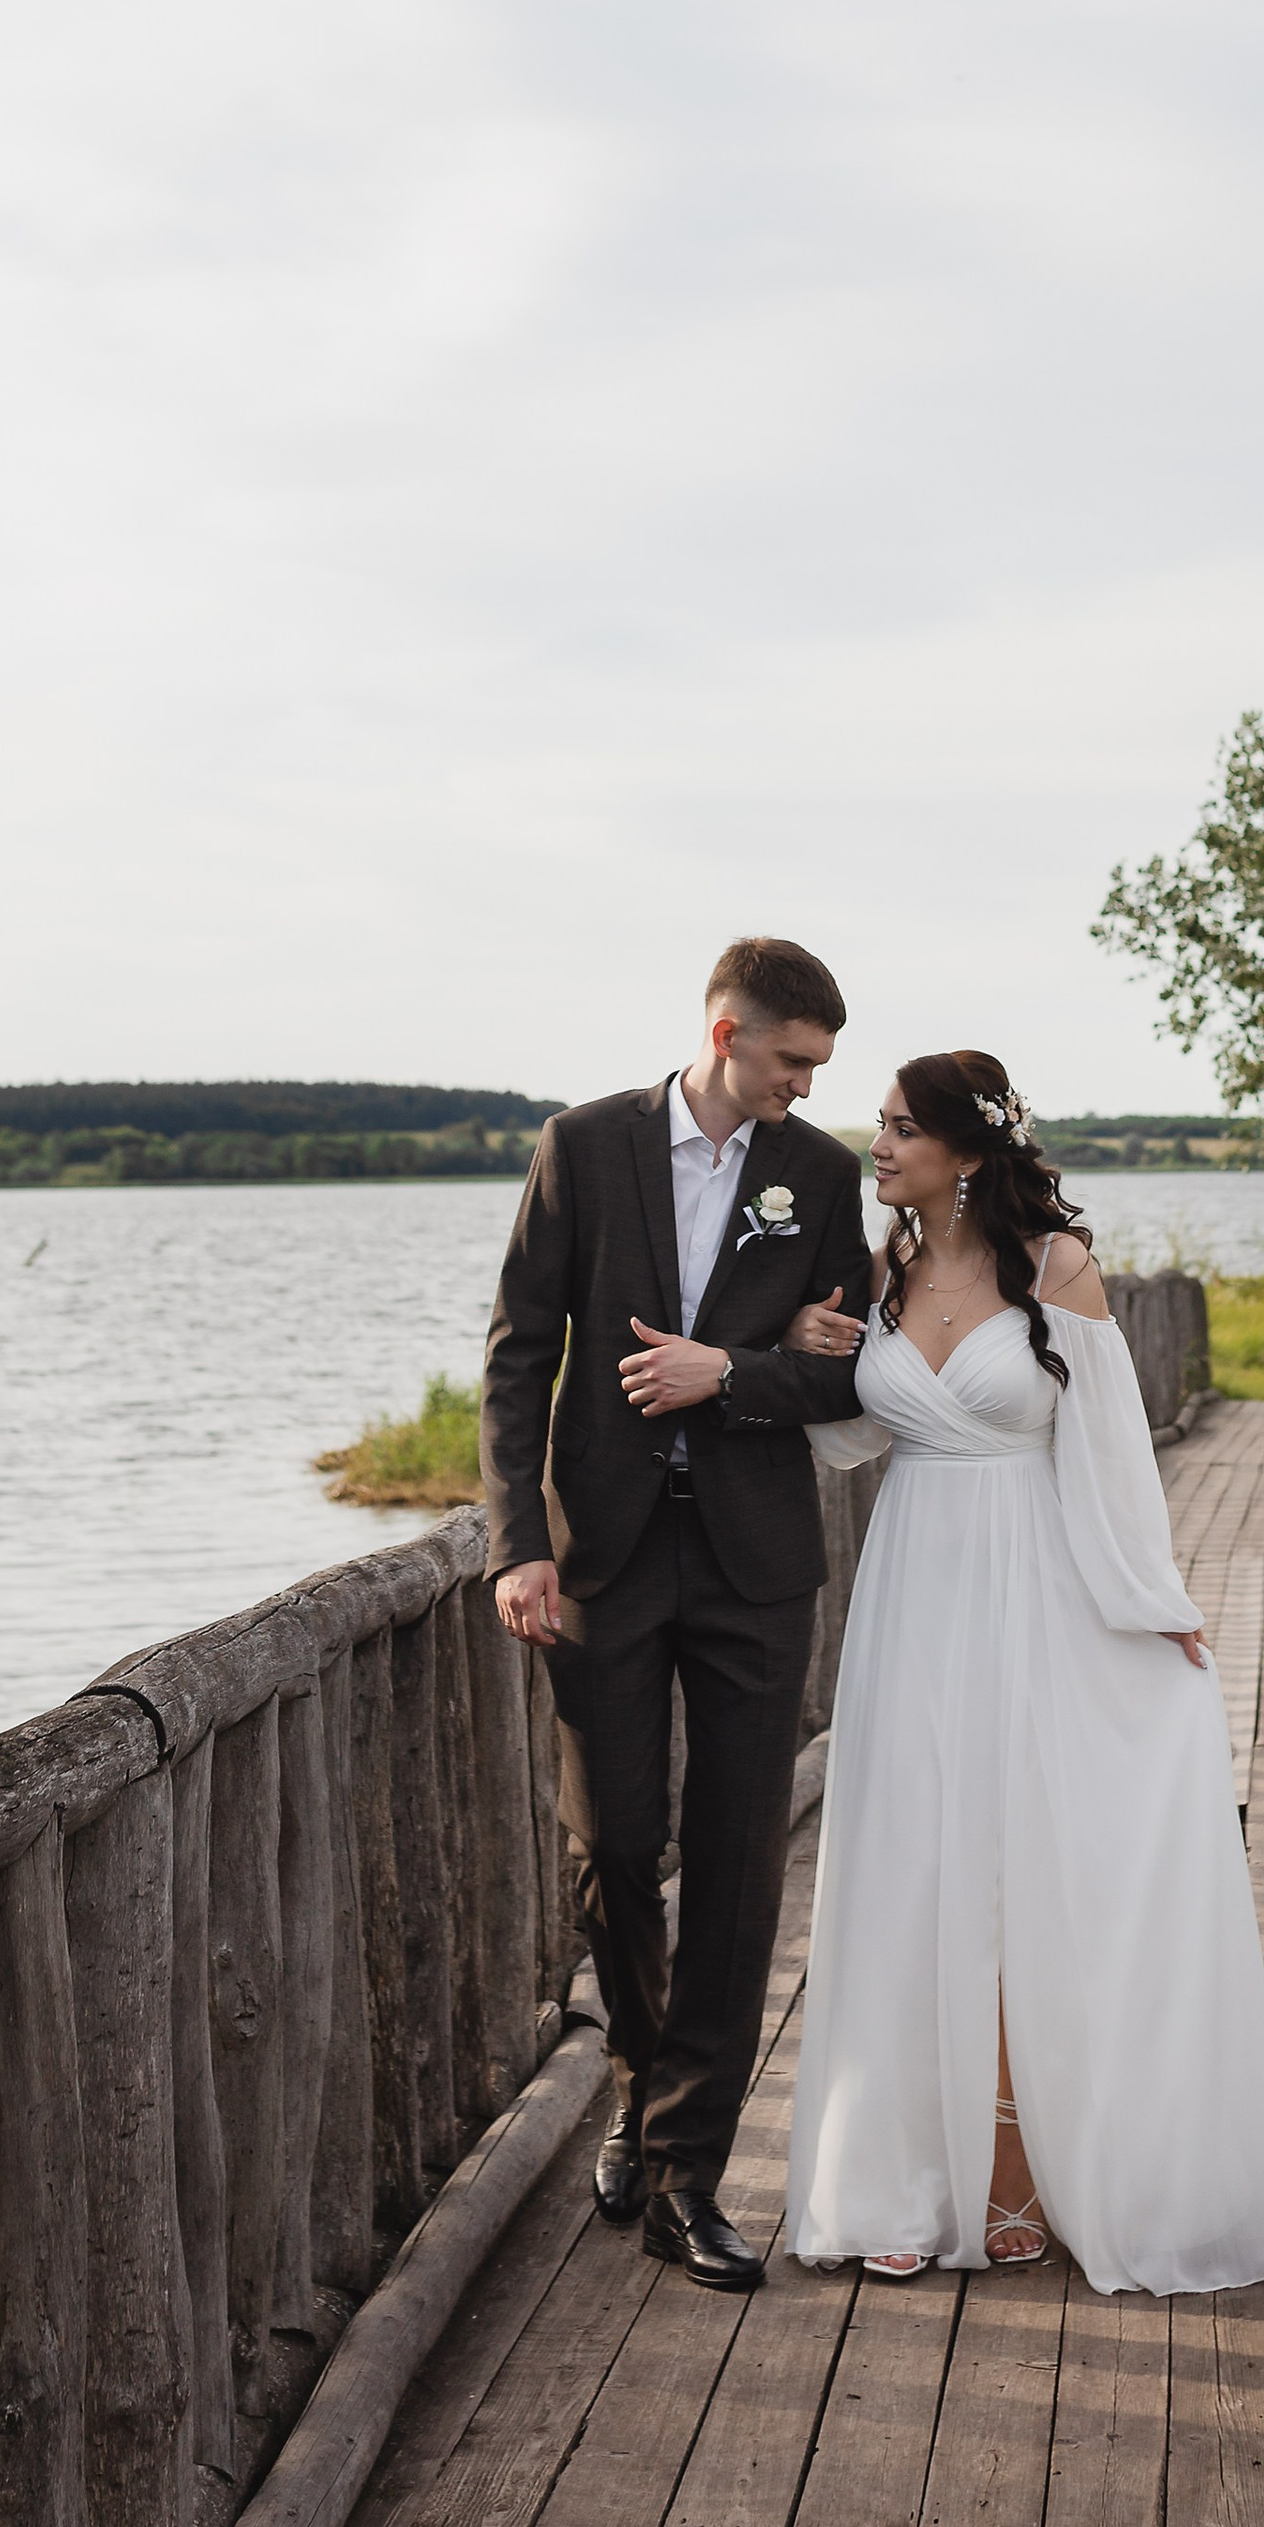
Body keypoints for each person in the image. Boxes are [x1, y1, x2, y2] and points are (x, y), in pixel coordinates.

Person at [780, 1050, 1264, 2293]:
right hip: (913, 1589)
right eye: (882, 1125)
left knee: (1025, 1877)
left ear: (968, 1151)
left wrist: (1151, 1604)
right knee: (912, 1872)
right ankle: (905, 2176)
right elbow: (858, 1442)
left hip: (1040, 1588)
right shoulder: (882, 1269)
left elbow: (1114, 1451)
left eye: (903, 1129)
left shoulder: (1053, 1267)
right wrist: (819, 1351)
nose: (880, 1144)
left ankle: (1016, 2173)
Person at [481, 935, 872, 2292]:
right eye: (789, 1062)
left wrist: (738, 1375)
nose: (805, 1090)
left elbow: (847, 1379)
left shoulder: (818, 1180)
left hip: (759, 1565)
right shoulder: (581, 1148)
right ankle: (647, 2084)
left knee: (741, 1866)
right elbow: (520, 1357)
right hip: (606, 1561)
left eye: (818, 1068)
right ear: (724, 1034)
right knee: (616, 1843)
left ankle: (684, 2176)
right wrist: (517, 1550)